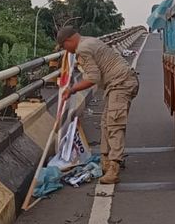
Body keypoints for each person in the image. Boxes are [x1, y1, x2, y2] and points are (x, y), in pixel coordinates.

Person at [58, 26, 140, 185]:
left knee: (114, 124)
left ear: (69, 40)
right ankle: (106, 162)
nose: (65, 51)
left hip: (121, 83)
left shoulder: (83, 49)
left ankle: (114, 168)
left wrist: (72, 89)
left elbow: (93, 78)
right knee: (105, 123)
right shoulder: (89, 40)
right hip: (116, 83)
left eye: (63, 46)